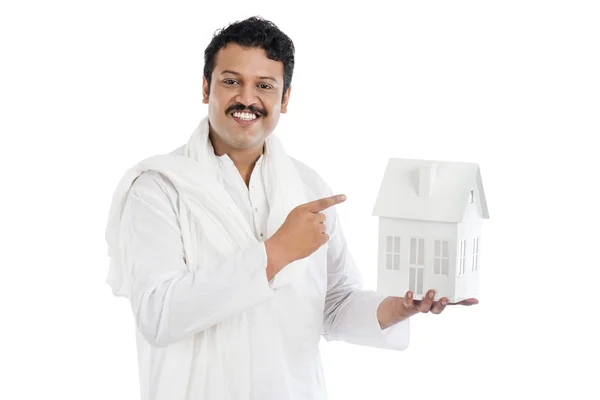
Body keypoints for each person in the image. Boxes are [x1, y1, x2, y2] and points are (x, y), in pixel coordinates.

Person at [105, 16, 478, 400]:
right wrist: (276, 252)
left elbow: (335, 306)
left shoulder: (308, 187)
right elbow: (159, 314)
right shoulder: (158, 188)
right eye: (231, 81)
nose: (247, 98)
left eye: (264, 86)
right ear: (205, 88)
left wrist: (401, 308)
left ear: (284, 98)